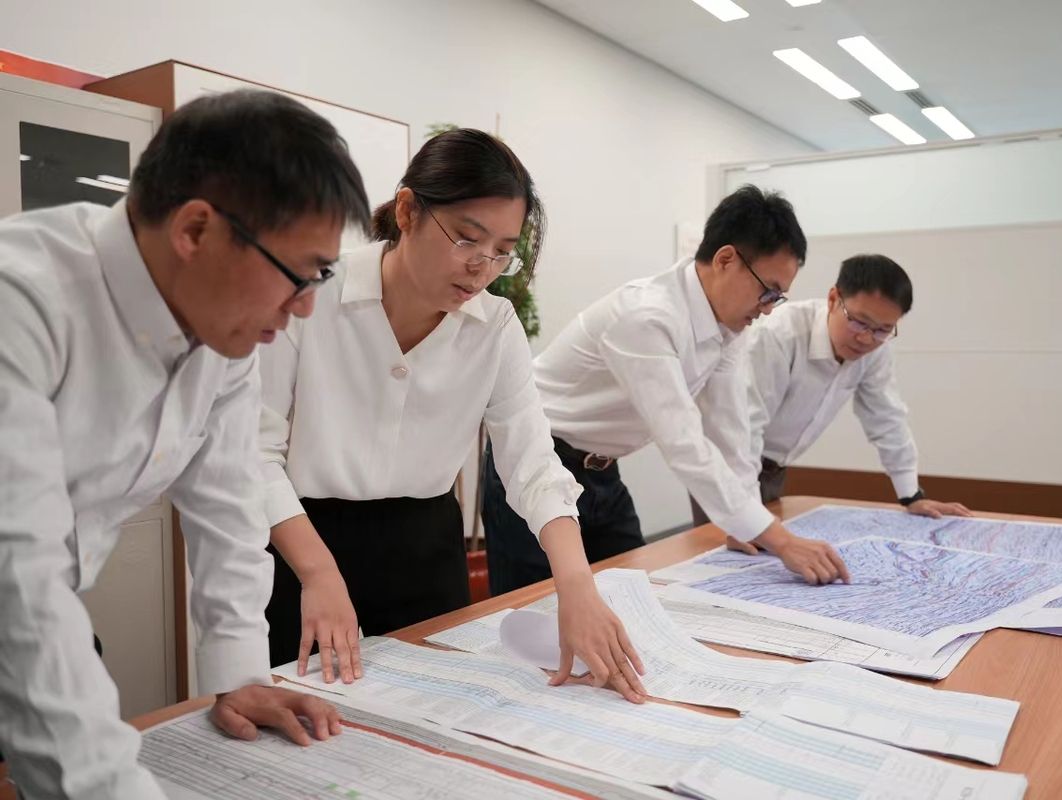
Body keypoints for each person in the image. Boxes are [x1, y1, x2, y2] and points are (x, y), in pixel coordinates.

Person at [0, 89, 371, 798]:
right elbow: (15, 580)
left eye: (321, 277)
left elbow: (228, 504)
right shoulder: (22, 299)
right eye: (299, 274)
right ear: (196, 230)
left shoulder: (220, 332)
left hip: (45, 619)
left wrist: (238, 672)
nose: (304, 307)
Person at [258, 128, 645, 702]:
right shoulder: (311, 297)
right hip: (305, 546)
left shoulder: (496, 326)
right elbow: (253, 452)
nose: (482, 267)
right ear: (408, 211)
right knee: (309, 721)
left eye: (502, 251)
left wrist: (576, 584)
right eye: (467, 239)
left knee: (436, 715)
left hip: (427, 555)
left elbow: (532, 464)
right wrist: (317, 572)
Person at [483, 185, 851, 593]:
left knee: (633, 593)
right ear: (726, 259)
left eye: (776, 299)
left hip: (603, 473)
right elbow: (682, 440)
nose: (767, 309)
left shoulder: (728, 328)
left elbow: (731, 432)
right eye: (768, 291)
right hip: (536, 461)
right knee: (533, 606)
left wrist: (748, 522)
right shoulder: (647, 317)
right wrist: (779, 539)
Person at [712, 253, 970, 554]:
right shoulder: (779, 334)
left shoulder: (875, 351)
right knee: (720, 555)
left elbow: (887, 418)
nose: (867, 339)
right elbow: (745, 429)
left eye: (883, 330)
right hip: (726, 463)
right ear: (834, 299)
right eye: (860, 322)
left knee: (762, 558)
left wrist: (911, 495)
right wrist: (749, 520)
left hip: (772, 470)